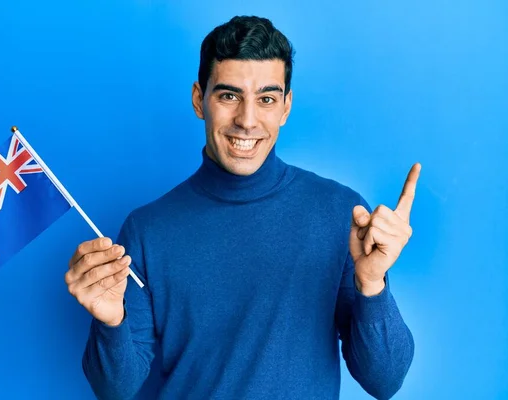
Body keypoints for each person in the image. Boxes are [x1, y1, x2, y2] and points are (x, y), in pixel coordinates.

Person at [65, 15, 418, 400]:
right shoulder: (147, 230)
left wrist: (372, 286)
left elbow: (385, 381)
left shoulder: (342, 214)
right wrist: (111, 322)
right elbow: (115, 389)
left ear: (285, 107)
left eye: (266, 99)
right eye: (229, 96)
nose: (247, 121)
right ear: (200, 100)